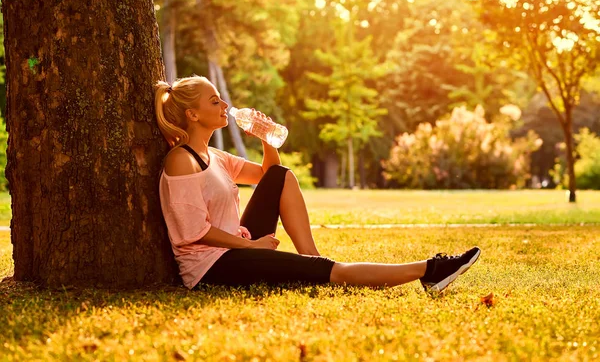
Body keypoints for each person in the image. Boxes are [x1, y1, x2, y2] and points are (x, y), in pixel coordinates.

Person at [154, 75, 481, 292]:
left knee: (282, 175)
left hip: (234, 247)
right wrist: (252, 245)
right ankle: (429, 270)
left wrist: (267, 140)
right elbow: (194, 231)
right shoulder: (181, 160)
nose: (224, 106)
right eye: (214, 101)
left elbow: (269, 177)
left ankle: (311, 256)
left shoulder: (214, 155)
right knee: (334, 273)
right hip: (212, 267)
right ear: (193, 115)